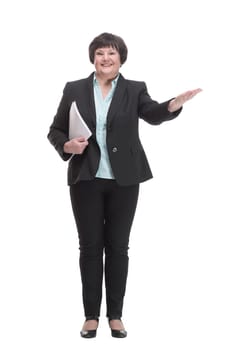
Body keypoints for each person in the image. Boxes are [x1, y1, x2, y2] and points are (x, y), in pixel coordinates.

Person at [47, 32, 202, 338]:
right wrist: (67, 146)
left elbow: (153, 114)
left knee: (118, 247)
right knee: (90, 247)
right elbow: (55, 130)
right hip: (86, 179)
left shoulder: (134, 89)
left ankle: (115, 316)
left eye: (112, 54)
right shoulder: (75, 88)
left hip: (124, 180)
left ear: (121, 58)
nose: (106, 59)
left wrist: (173, 105)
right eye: (101, 53)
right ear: (93, 57)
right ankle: (91, 316)